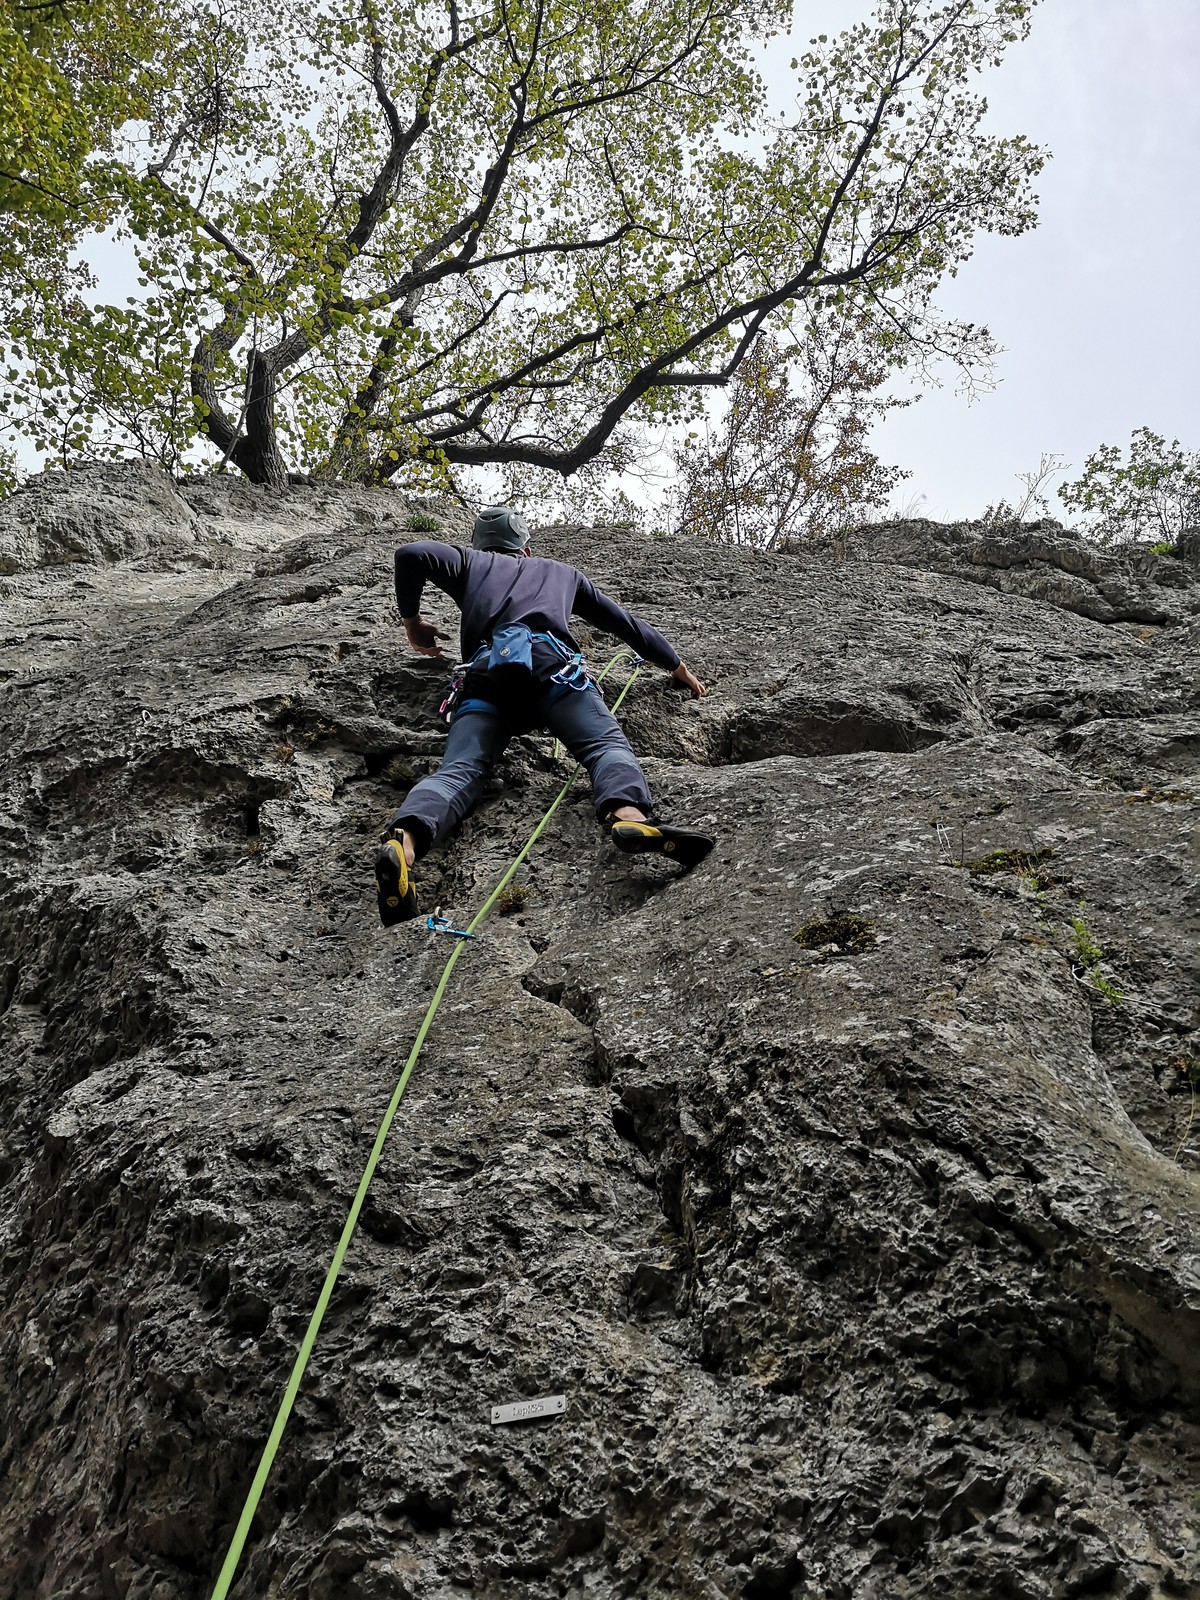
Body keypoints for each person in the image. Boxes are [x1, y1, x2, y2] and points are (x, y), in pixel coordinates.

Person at [375, 507, 714, 925]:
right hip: (555, 673)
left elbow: (411, 553)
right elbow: (626, 625)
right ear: (527, 548)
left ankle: (404, 843)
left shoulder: (469, 562)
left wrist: (412, 623)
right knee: (604, 746)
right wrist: (677, 667)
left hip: (485, 679)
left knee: (459, 771)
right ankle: (629, 817)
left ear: (480, 544)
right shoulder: (561, 573)